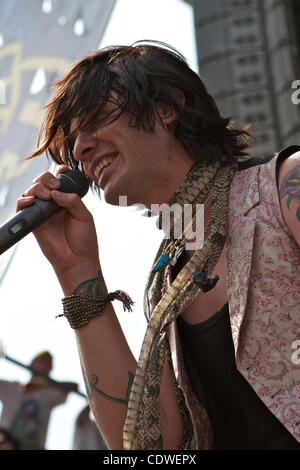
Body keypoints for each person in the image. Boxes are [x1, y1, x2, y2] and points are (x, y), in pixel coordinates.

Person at [17, 41, 300, 450]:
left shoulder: (283, 188)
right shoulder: (168, 286)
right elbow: (147, 451)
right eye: (75, 142)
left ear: (167, 107)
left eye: (95, 118)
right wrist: (76, 269)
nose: (80, 148)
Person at [0, 351, 77, 449]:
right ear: (31, 364)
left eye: (49, 363)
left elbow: (74, 386)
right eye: (41, 360)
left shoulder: (49, 394)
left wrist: (41, 384)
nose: (45, 365)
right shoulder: (12, 387)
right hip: (5, 443)